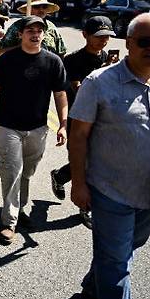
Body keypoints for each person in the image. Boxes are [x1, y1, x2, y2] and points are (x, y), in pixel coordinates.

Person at [69, 13, 150, 299]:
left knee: (125, 249)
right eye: (145, 41)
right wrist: (78, 183)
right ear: (129, 44)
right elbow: (78, 136)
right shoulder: (99, 82)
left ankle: (91, 287)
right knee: (118, 264)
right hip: (111, 193)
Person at [0, 16, 68, 245]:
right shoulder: (7, 60)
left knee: (27, 173)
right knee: (12, 172)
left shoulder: (53, 62)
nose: (35, 34)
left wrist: (63, 124)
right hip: (8, 126)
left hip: (38, 128)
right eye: (30, 30)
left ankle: (21, 208)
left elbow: (60, 94)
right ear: (20, 34)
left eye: (39, 30)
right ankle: (9, 222)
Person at [49, 16, 117, 229]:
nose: (103, 41)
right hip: (79, 119)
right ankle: (85, 207)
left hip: (103, 120)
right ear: (85, 35)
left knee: (96, 162)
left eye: (106, 37)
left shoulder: (108, 58)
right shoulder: (72, 61)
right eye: (98, 37)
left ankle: (61, 175)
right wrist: (103, 72)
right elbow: (80, 92)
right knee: (86, 162)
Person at [0, 0, 67, 57]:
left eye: (44, 7)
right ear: (29, 8)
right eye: (36, 7)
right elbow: (0, 52)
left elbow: (61, 53)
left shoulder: (51, 27)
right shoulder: (17, 26)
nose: (41, 10)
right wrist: (23, 46)